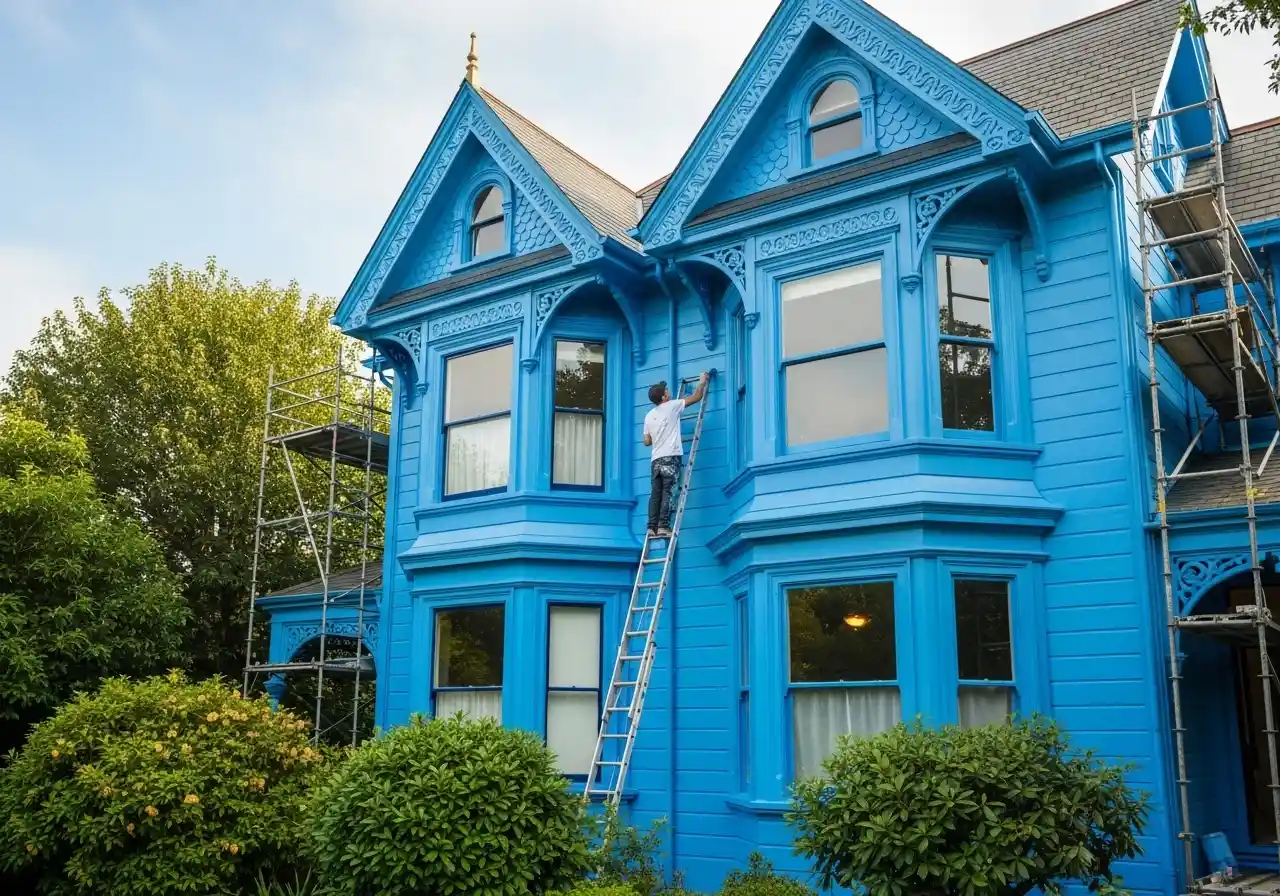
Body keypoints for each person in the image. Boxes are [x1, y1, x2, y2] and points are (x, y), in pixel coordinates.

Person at [643, 371, 709, 538]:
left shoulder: (649, 416)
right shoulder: (672, 406)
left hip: (655, 460)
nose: (668, 392)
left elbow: (646, 441)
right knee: (668, 491)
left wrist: (659, 432)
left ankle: (651, 526)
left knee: (655, 493)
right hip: (670, 456)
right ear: (664, 397)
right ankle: (663, 525)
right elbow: (696, 397)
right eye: (666, 391)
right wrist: (702, 382)